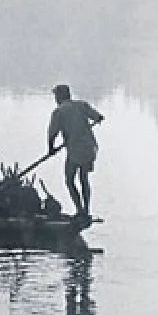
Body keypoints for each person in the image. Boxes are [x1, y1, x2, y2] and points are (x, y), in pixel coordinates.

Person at [47, 84, 104, 219]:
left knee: (69, 179)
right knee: (84, 179)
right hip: (90, 148)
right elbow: (98, 117)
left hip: (75, 150)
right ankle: (86, 210)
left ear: (60, 96)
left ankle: (80, 210)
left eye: (56, 95)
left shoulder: (59, 112)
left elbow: (52, 133)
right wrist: (98, 118)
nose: (55, 98)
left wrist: (51, 149)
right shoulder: (82, 105)